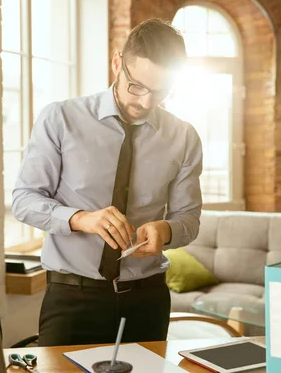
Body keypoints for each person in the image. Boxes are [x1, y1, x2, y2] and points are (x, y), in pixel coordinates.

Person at [11, 18, 203, 346]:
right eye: (137, 86)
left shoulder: (183, 137)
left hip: (147, 301)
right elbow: (24, 200)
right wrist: (81, 219)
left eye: (160, 92)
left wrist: (167, 231)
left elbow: (189, 219)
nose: (144, 102)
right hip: (72, 298)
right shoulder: (60, 119)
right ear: (117, 63)